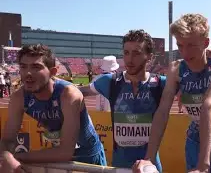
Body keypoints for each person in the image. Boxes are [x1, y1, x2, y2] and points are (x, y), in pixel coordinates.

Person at [133, 13, 211, 173]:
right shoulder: (176, 69)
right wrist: (150, 157)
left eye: (191, 45)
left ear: (206, 43)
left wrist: (203, 165)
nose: (185, 52)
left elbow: (210, 103)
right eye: (180, 45)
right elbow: (162, 111)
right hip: (194, 142)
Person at [0, 44, 106, 172]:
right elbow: (7, 140)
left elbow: (65, 152)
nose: (28, 73)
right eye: (23, 66)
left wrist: (16, 157)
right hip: (56, 161)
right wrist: (7, 157)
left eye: (36, 67)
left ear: (53, 72)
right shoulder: (19, 97)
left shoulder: (69, 95)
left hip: (89, 160)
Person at [79, 30, 166, 171]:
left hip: (150, 166)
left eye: (136, 53)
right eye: (126, 53)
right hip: (119, 165)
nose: (129, 59)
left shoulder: (161, 83)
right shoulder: (110, 82)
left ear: (149, 57)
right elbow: (75, 92)